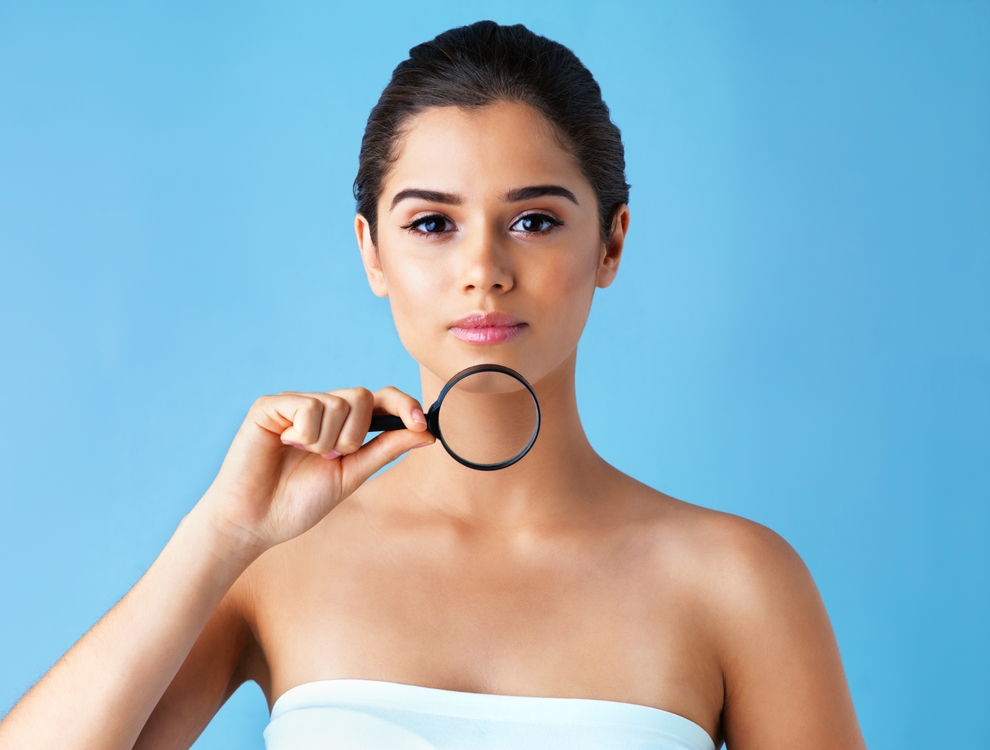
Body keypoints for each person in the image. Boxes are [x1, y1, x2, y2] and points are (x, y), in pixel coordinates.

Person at [0, 21, 867, 750]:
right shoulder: (273, 563)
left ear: (611, 244)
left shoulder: (737, 581)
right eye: (432, 223)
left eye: (533, 221)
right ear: (372, 252)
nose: (482, 270)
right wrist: (221, 534)